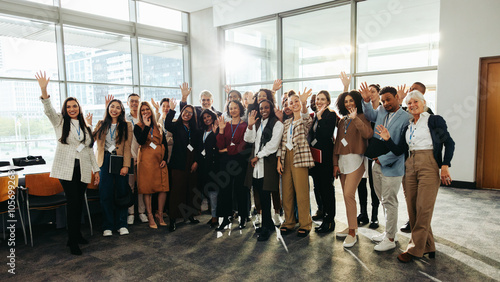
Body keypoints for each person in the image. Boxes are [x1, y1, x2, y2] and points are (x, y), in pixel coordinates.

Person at [375, 90, 455, 262]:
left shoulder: (433, 120)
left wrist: (445, 165)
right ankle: (429, 246)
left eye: (415, 102)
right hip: (409, 164)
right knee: (413, 209)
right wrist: (388, 139)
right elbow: (398, 150)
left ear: (423, 102)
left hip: (428, 164)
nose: (412, 105)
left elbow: (449, 143)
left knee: (423, 208)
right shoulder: (409, 125)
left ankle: (413, 249)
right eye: (409, 103)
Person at [35, 71, 100, 255]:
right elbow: (48, 110)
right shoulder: (60, 122)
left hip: (83, 169)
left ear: (79, 108)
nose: (72, 109)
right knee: (72, 203)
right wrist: (44, 89)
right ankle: (72, 240)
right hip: (67, 170)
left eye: (75, 106)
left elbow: (89, 150)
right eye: (69, 106)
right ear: (65, 109)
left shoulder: (85, 127)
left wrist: (97, 171)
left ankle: (76, 234)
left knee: (79, 202)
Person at [360, 83, 410, 252]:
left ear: (397, 98)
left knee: (390, 202)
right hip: (376, 163)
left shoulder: (406, 118)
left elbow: (403, 148)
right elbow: (369, 114)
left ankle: (390, 239)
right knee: (383, 200)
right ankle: (391, 232)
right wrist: (366, 101)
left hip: (392, 166)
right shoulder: (381, 110)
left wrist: (383, 159)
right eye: (383, 100)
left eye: (388, 99)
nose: (386, 103)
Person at [333, 90, 373, 247]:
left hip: (356, 161)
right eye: (346, 101)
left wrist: (356, 119)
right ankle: (351, 226)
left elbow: (368, 134)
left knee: (349, 194)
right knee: (346, 196)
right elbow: (338, 143)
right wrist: (335, 164)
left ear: (356, 102)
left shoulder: (363, 117)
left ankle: (352, 232)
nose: (348, 103)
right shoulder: (342, 120)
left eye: (351, 100)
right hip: (342, 162)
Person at [244, 100, 283, 241]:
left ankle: (267, 226)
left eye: (266, 107)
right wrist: (249, 125)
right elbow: (249, 139)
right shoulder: (258, 122)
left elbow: (273, 145)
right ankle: (268, 224)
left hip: (267, 163)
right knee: (260, 195)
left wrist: (258, 156)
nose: (264, 110)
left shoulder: (277, 124)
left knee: (266, 196)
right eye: (261, 108)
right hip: (257, 166)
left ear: (271, 108)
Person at [277, 89, 314, 237]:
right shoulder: (286, 123)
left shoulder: (305, 119)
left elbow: (303, 129)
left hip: (299, 157)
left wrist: (303, 103)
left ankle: (305, 224)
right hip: (286, 157)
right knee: (286, 192)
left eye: (296, 101)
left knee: (302, 192)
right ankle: (289, 221)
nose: (293, 104)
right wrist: (279, 161)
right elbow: (281, 143)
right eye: (290, 103)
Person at [93, 99, 133, 237]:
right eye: (112, 107)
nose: (114, 109)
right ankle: (107, 225)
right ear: (108, 108)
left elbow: (127, 147)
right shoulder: (101, 124)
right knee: (105, 194)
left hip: (120, 160)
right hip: (104, 160)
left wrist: (126, 165)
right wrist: (88, 123)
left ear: (122, 110)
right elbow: (91, 140)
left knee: (122, 193)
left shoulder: (126, 125)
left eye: (117, 107)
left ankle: (122, 224)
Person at [164, 99, 201, 231]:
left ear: (193, 115)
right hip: (179, 161)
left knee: (191, 189)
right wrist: (171, 110)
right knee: (177, 191)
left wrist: (196, 161)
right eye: (186, 111)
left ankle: (190, 215)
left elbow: (198, 147)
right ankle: (173, 219)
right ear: (182, 112)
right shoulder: (177, 125)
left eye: (190, 113)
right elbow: (167, 124)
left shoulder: (196, 129)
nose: (187, 114)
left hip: (192, 161)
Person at [134, 102, 169, 229]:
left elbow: (164, 143)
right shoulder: (138, 126)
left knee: (163, 187)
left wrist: (165, 159)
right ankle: (150, 215)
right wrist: (147, 126)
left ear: (151, 110)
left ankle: (159, 214)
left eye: (147, 109)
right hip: (146, 161)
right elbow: (141, 141)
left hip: (160, 160)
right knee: (147, 188)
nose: (145, 111)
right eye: (142, 110)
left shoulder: (159, 126)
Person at [215, 100, 249, 231]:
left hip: (239, 162)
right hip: (225, 162)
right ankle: (225, 218)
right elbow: (219, 146)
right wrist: (221, 130)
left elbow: (243, 146)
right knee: (225, 190)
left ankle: (243, 217)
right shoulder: (226, 125)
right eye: (230, 108)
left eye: (235, 108)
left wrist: (227, 150)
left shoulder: (245, 125)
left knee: (241, 189)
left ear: (240, 109)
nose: (233, 110)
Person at [309, 90, 338, 233]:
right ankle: (324, 215)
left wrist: (320, 119)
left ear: (327, 101)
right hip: (316, 157)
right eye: (317, 99)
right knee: (319, 188)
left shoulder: (330, 114)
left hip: (325, 157)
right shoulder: (315, 115)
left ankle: (329, 220)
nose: (319, 101)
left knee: (327, 189)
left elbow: (326, 134)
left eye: (322, 99)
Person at [357, 84, 381, 229]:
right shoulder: (363, 110)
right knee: (361, 184)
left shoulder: (382, 111)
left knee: (374, 185)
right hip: (362, 151)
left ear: (378, 93)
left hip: (375, 152)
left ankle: (374, 216)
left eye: (373, 91)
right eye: (368, 92)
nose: (370, 94)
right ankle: (363, 212)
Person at [125, 93, 148, 225]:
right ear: (128, 103)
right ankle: (131, 213)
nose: (134, 103)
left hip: (144, 158)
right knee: (130, 186)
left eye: (137, 101)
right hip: (130, 157)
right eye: (132, 101)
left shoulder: (144, 118)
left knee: (142, 186)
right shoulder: (125, 119)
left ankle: (141, 212)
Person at [197, 109, 220, 228]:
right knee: (207, 191)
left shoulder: (218, 129)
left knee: (214, 193)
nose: (207, 119)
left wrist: (216, 133)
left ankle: (215, 217)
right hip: (203, 166)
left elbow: (220, 145)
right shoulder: (201, 131)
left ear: (212, 117)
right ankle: (213, 216)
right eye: (204, 117)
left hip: (214, 166)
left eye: (208, 116)